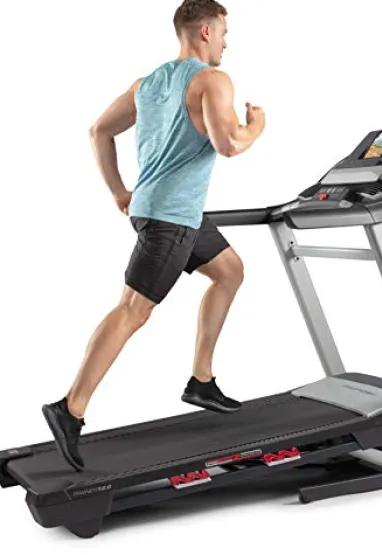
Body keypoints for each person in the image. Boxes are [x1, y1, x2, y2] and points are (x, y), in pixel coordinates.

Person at [41, 0, 266, 472]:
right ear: (205, 31)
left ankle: (201, 380)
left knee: (229, 271)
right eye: (224, 32)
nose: (227, 42)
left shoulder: (147, 84)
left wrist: (119, 192)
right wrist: (256, 127)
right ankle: (70, 407)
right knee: (132, 310)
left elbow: (99, 131)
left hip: (165, 211)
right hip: (171, 219)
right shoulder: (213, 80)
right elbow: (229, 144)